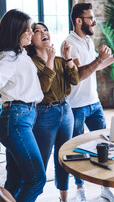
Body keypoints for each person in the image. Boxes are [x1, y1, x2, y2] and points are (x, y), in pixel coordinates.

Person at [60, 3, 114, 202]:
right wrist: (99, 58)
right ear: (79, 21)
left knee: (104, 145)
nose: (94, 22)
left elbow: (95, 67)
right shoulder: (68, 44)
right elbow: (79, 75)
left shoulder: (88, 40)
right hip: (76, 105)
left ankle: (105, 186)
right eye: (90, 18)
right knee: (77, 151)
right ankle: (80, 189)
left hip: (94, 103)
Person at [0, 9, 46, 202]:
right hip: (17, 119)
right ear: (15, 31)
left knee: (16, 180)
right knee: (37, 179)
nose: (31, 33)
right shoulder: (9, 57)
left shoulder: (20, 54)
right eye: (26, 29)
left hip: (21, 118)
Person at [26, 22, 79, 202]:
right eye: (37, 31)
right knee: (41, 160)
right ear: (31, 40)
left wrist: (68, 57)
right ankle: (30, 197)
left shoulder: (59, 60)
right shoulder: (30, 63)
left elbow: (75, 80)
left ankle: (64, 199)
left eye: (45, 29)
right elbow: (42, 88)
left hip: (66, 111)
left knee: (63, 158)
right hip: (44, 114)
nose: (43, 33)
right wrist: (49, 59)